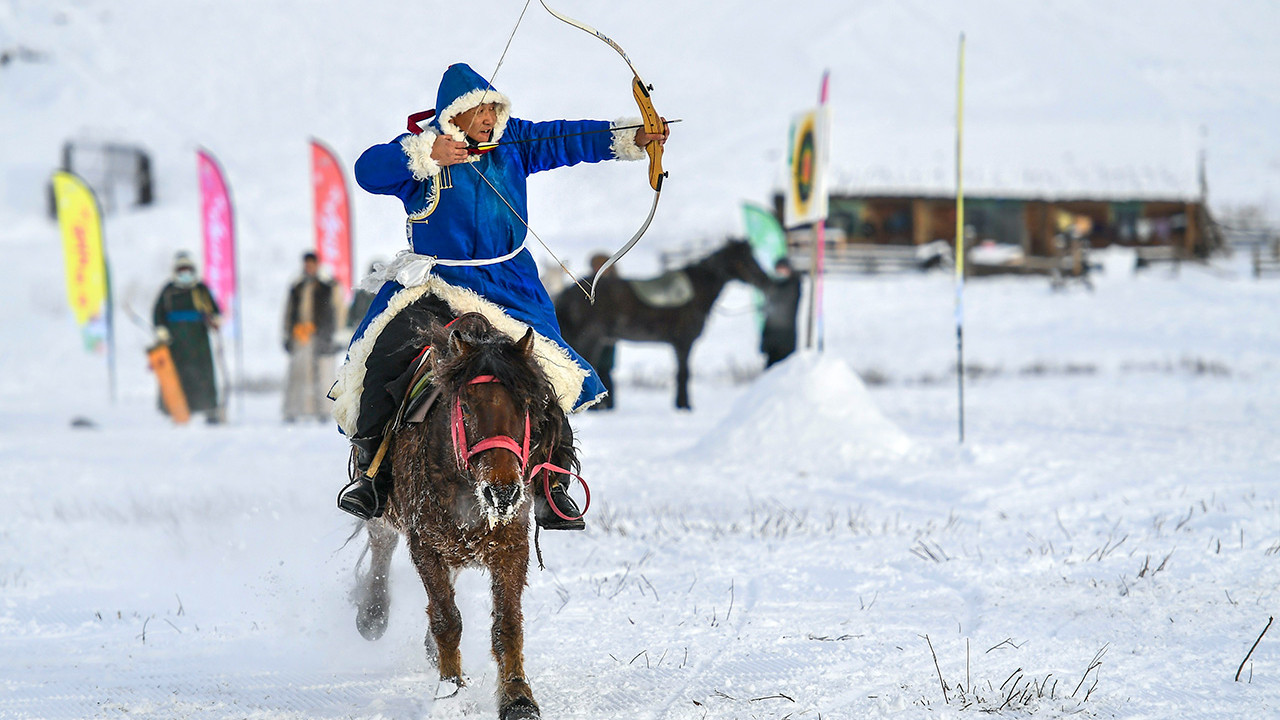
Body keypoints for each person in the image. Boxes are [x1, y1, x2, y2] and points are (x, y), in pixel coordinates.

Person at [330, 62, 669, 525]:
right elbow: (367, 170)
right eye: (480, 109)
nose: (490, 117)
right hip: (440, 284)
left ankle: (553, 483)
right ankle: (371, 478)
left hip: (510, 285)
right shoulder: (425, 153)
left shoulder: (513, 145)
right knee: (383, 355)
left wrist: (634, 136)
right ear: (456, 114)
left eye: (494, 107)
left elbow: (565, 139)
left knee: (549, 369)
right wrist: (426, 152)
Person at [152, 251, 223, 423]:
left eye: (188, 269)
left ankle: (209, 409)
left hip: (198, 340)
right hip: (175, 342)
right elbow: (158, 312)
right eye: (181, 269)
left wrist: (214, 319)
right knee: (176, 375)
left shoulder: (200, 289)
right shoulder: (168, 290)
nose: (185, 273)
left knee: (203, 374)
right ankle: (175, 410)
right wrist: (161, 329)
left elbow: (214, 310)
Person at [283, 252, 338, 422]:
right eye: (307, 264)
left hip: (319, 334)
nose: (309, 267)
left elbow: (334, 311)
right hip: (301, 335)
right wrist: (287, 333)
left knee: (322, 373)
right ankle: (295, 410)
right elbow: (289, 312)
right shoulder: (297, 287)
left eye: (311, 264)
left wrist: (331, 335)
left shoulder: (326, 286)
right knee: (299, 373)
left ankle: (322, 410)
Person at [585, 252, 617, 410]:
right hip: (592, 333)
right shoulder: (589, 284)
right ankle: (593, 402)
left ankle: (609, 402)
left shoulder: (616, 287)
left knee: (606, 368)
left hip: (609, 333)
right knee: (591, 366)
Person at [761, 257, 802, 368]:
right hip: (771, 340)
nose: (779, 272)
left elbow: (785, 303)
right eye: (778, 269)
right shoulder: (773, 285)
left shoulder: (793, 284)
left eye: (782, 269)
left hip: (785, 341)